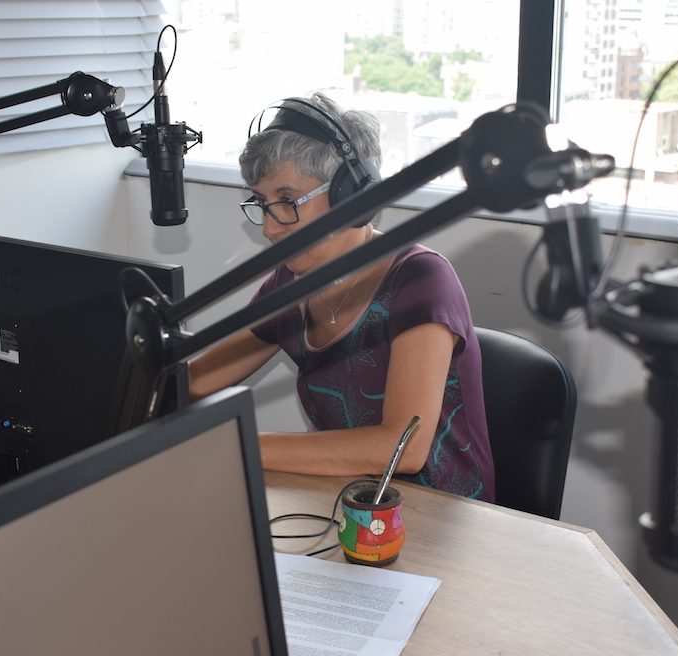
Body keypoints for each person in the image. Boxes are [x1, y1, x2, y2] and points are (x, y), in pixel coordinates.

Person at [187, 93, 495, 502]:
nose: (269, 229)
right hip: (343, 505)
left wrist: (242, 445)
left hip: (445, 517)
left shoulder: (420, 280)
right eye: (262, 203)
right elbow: (196, 382)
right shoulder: (290, 286)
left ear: (350, 196)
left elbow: (401, 448)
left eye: (287, 201)